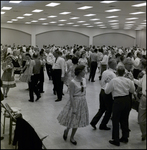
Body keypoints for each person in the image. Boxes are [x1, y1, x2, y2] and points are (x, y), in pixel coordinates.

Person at [57, 65, 89, 145]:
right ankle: (67, 130)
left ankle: (72, 137)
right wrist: (74, 107)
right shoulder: (72, 82)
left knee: (77, 120)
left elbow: (84, 91)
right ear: (80, 72)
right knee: (72, 119)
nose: (85, 72)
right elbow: (71, 95)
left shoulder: (84, 80)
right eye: (84, 70)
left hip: (82, 101)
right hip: (75, 101)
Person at [105, 66, 135, 146]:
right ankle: (125, 137)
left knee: (115, 120)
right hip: (127, 100)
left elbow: (107, 91)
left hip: (118, 101)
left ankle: (116, 139)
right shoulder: (129, 81)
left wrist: (107, 83)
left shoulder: (113, 81)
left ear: (117, 72)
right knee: (125, 119)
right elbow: (132, 90)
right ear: (124, 73)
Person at [90, 59, 117, 130]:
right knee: (109, 110)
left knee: (102, 109)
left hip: (102, 90)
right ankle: (103, 124)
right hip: (108, 93)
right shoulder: (113, 74)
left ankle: (94, 121)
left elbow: (102, 81)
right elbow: (114, 84)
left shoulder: (105, 72)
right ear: (114, 65)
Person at [133, 59, 146, 141]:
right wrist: (132, 79)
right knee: (141, 120)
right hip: (144, 98)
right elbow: (140, 84)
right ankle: (144, 133)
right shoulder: (144, 76)